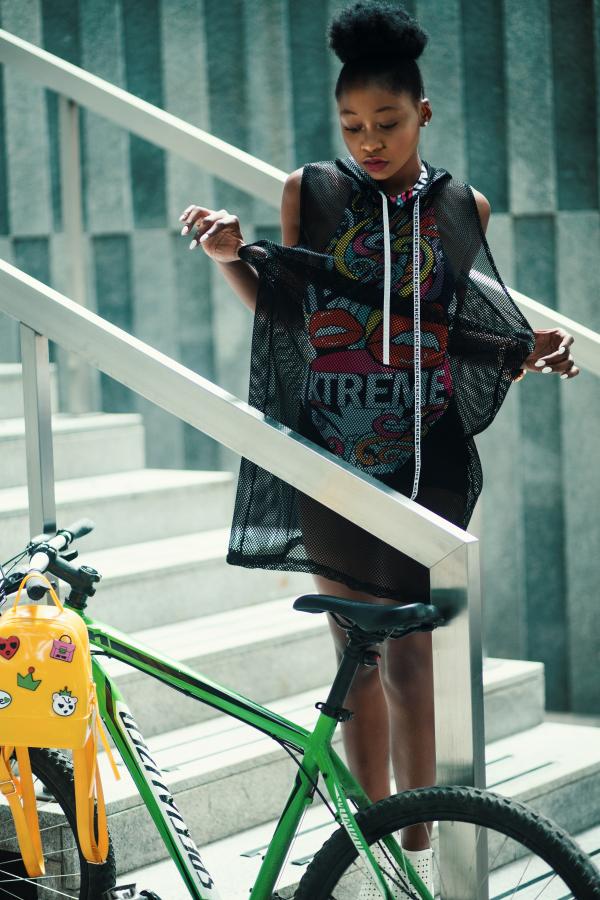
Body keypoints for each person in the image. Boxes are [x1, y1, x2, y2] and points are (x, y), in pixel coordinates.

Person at [179, 3, 579, 894]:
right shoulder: (309, 192)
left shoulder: (461, 207)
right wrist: (231, 257)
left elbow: (451, 332)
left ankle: (423, 844)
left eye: (388, 123)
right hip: (332, 453)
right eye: (353, 124)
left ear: (423, 113)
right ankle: (365, 844)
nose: (368, 140)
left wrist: (525, 350)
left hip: (424, 457)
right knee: (353, 652)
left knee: (412, 653)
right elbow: (294, 314)